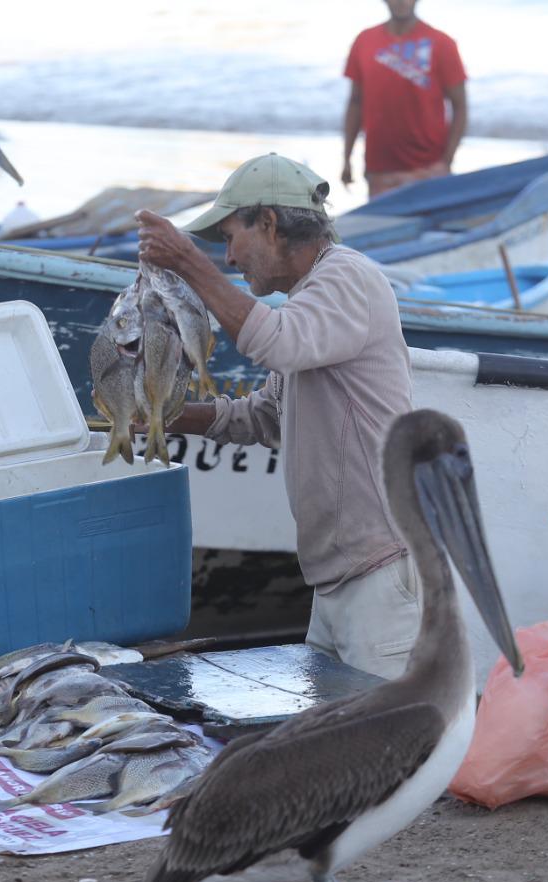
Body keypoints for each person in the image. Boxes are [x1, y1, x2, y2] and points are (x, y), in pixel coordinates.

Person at [134, 155, 419, 678]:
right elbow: (262, 417)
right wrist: (161, 416)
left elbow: (278, 344)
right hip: (335, 578)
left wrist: (188, 262)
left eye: (229, 237)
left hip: (381, 570)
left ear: (268, 223)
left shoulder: (347, 277)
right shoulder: (310, 299)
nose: (227, 256)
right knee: (334, 737)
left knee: (386, 747)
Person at [342, 0, 468, 200]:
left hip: (429, 168)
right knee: (384, 228)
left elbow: (460, 107)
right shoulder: (364, 41)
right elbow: (355, 103)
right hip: (380, 169)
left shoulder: (442, 43)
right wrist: (347, 158)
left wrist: (446, 161)